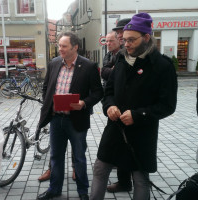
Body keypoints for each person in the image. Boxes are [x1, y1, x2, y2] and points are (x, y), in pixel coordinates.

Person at [90, 13, 177, 200]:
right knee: (100, 168)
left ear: (146, 37)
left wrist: (139, 115)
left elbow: (167, 105)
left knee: (140, 179)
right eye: (124, 40)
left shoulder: (163, 66)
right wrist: (109, 107)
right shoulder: (121, 59)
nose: (126, 44)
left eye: (131, 40)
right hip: (115, 129)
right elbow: (109, 91)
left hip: (142, 133)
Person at [36, 32, 103, 200]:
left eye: (64, 46)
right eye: (59, 46)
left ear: (75, 47)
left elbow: (98, 92)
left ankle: (82, 192)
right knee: (56, 157)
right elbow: (46, 87)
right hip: (56, 119)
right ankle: (54, 189)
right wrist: (48, 103)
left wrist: (83, 103)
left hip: (76, 121)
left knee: (79, 158)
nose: (60, 49)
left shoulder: (88, 66)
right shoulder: (54, 64)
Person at [101, 28, 134, 193]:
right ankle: (124, 180)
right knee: (118, 146)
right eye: (106, 41)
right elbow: (103, 71)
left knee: (127, 147)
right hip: (112, 103)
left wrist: (112, 73)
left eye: (111, 40)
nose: (108, 43)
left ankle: (126, 181)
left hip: (130, 111)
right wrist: (113, 72)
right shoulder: (110, 56)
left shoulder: (124, 54)